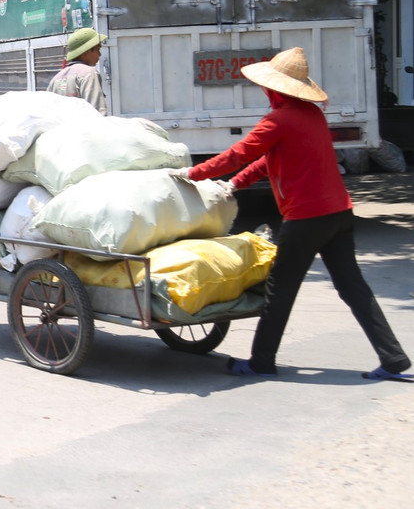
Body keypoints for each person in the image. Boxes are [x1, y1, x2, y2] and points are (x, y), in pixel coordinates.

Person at [174, 47, 411, 381]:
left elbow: (237, 154)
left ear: (275, 88)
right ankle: (393, 358)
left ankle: (260, 362)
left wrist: (192, 174)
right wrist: (238, 183)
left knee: (280, 288)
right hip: (338, 214)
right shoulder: (312, 115)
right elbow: (270, 159)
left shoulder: (277, 120)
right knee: (352, 286)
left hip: (307, 218)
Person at [47, 27, 107, 114]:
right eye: (98, 49)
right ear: (86, 51)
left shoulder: (56, 78)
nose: (100, 54)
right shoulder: (89, 73)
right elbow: (97, 112)